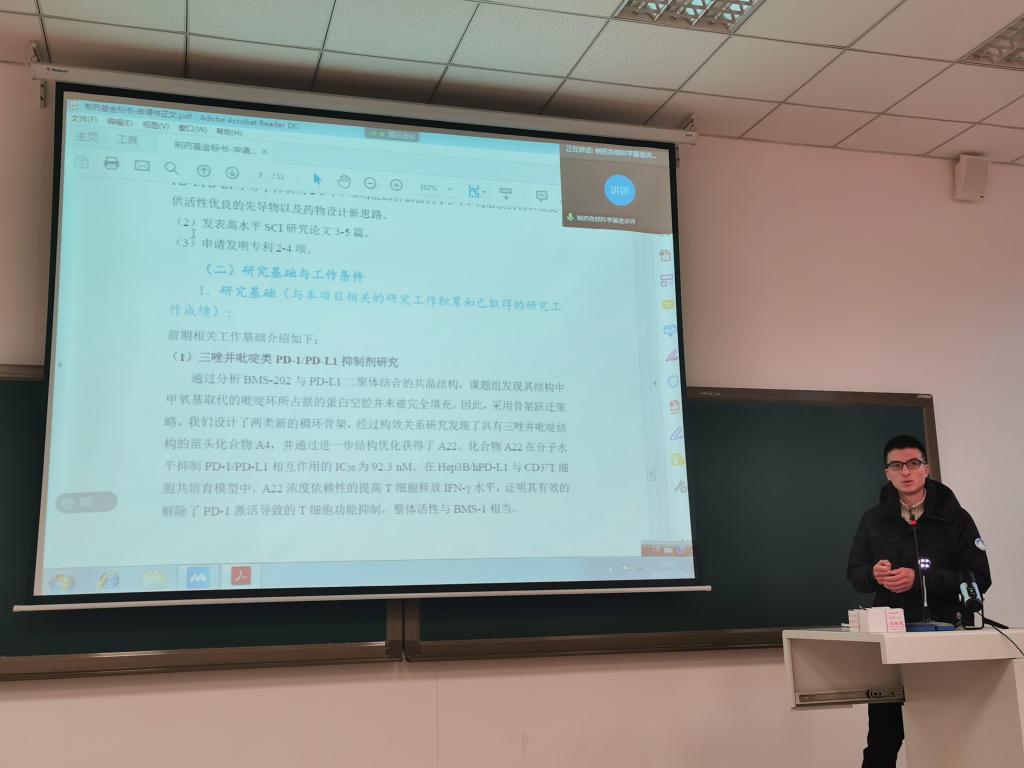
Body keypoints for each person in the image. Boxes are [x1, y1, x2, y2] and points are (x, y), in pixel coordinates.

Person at [847, 434, 991, 768]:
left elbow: (979, 579)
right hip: (892, 643)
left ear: (926, 469)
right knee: (882, 741)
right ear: (887, 473)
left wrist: (920, 579)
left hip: (945, 641)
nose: (906, 472)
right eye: (896, 466)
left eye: (913, 463)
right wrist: (873, 574)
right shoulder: (873, 520)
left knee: (945, 738)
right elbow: (854, 574)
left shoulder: (956, 518)